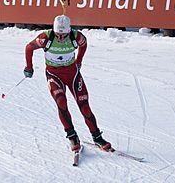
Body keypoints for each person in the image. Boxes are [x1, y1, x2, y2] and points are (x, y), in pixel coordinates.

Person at [23, 15, 112, 152]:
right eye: (58, 35)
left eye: (64, 35)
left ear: (69, 31)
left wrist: (79, 61)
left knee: (84, 105)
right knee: (61, 102)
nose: (61, 38)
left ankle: (97, 138)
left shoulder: (76, 37)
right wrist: (29, 67)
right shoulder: (45, 38)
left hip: (73, 74)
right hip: (54, 74)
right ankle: (72, 136)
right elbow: (29, 48)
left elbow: (84, 44)